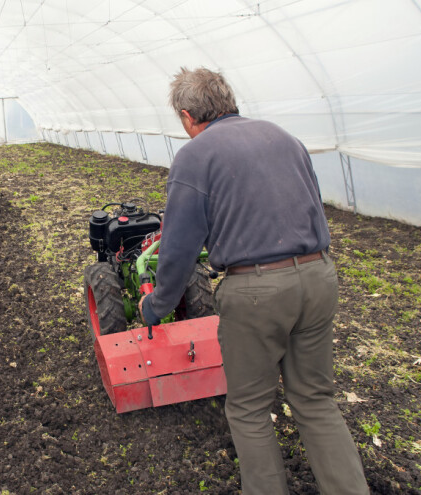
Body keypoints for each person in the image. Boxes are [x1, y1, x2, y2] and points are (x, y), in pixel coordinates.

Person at [138, 67, 368, 495]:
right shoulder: (284, 138)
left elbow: (178, 248)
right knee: (315, 400)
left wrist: (157, 306)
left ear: (188, 116)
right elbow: (311, 207)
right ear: (229, 101)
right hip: (319, 278)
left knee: (248, 408)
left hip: (257, 292)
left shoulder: (196, 155)